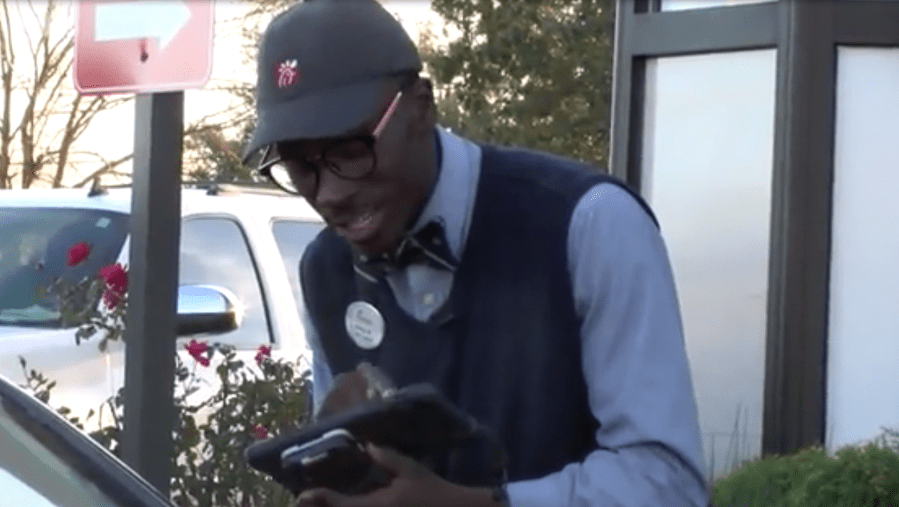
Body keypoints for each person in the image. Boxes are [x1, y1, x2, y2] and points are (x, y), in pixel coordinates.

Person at [242, 0, 709, 506]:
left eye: (351, 151)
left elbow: (667, 483)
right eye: (298, 167)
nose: (328, 193)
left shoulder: (589, 223)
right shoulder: (324, 269)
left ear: (422, 106)